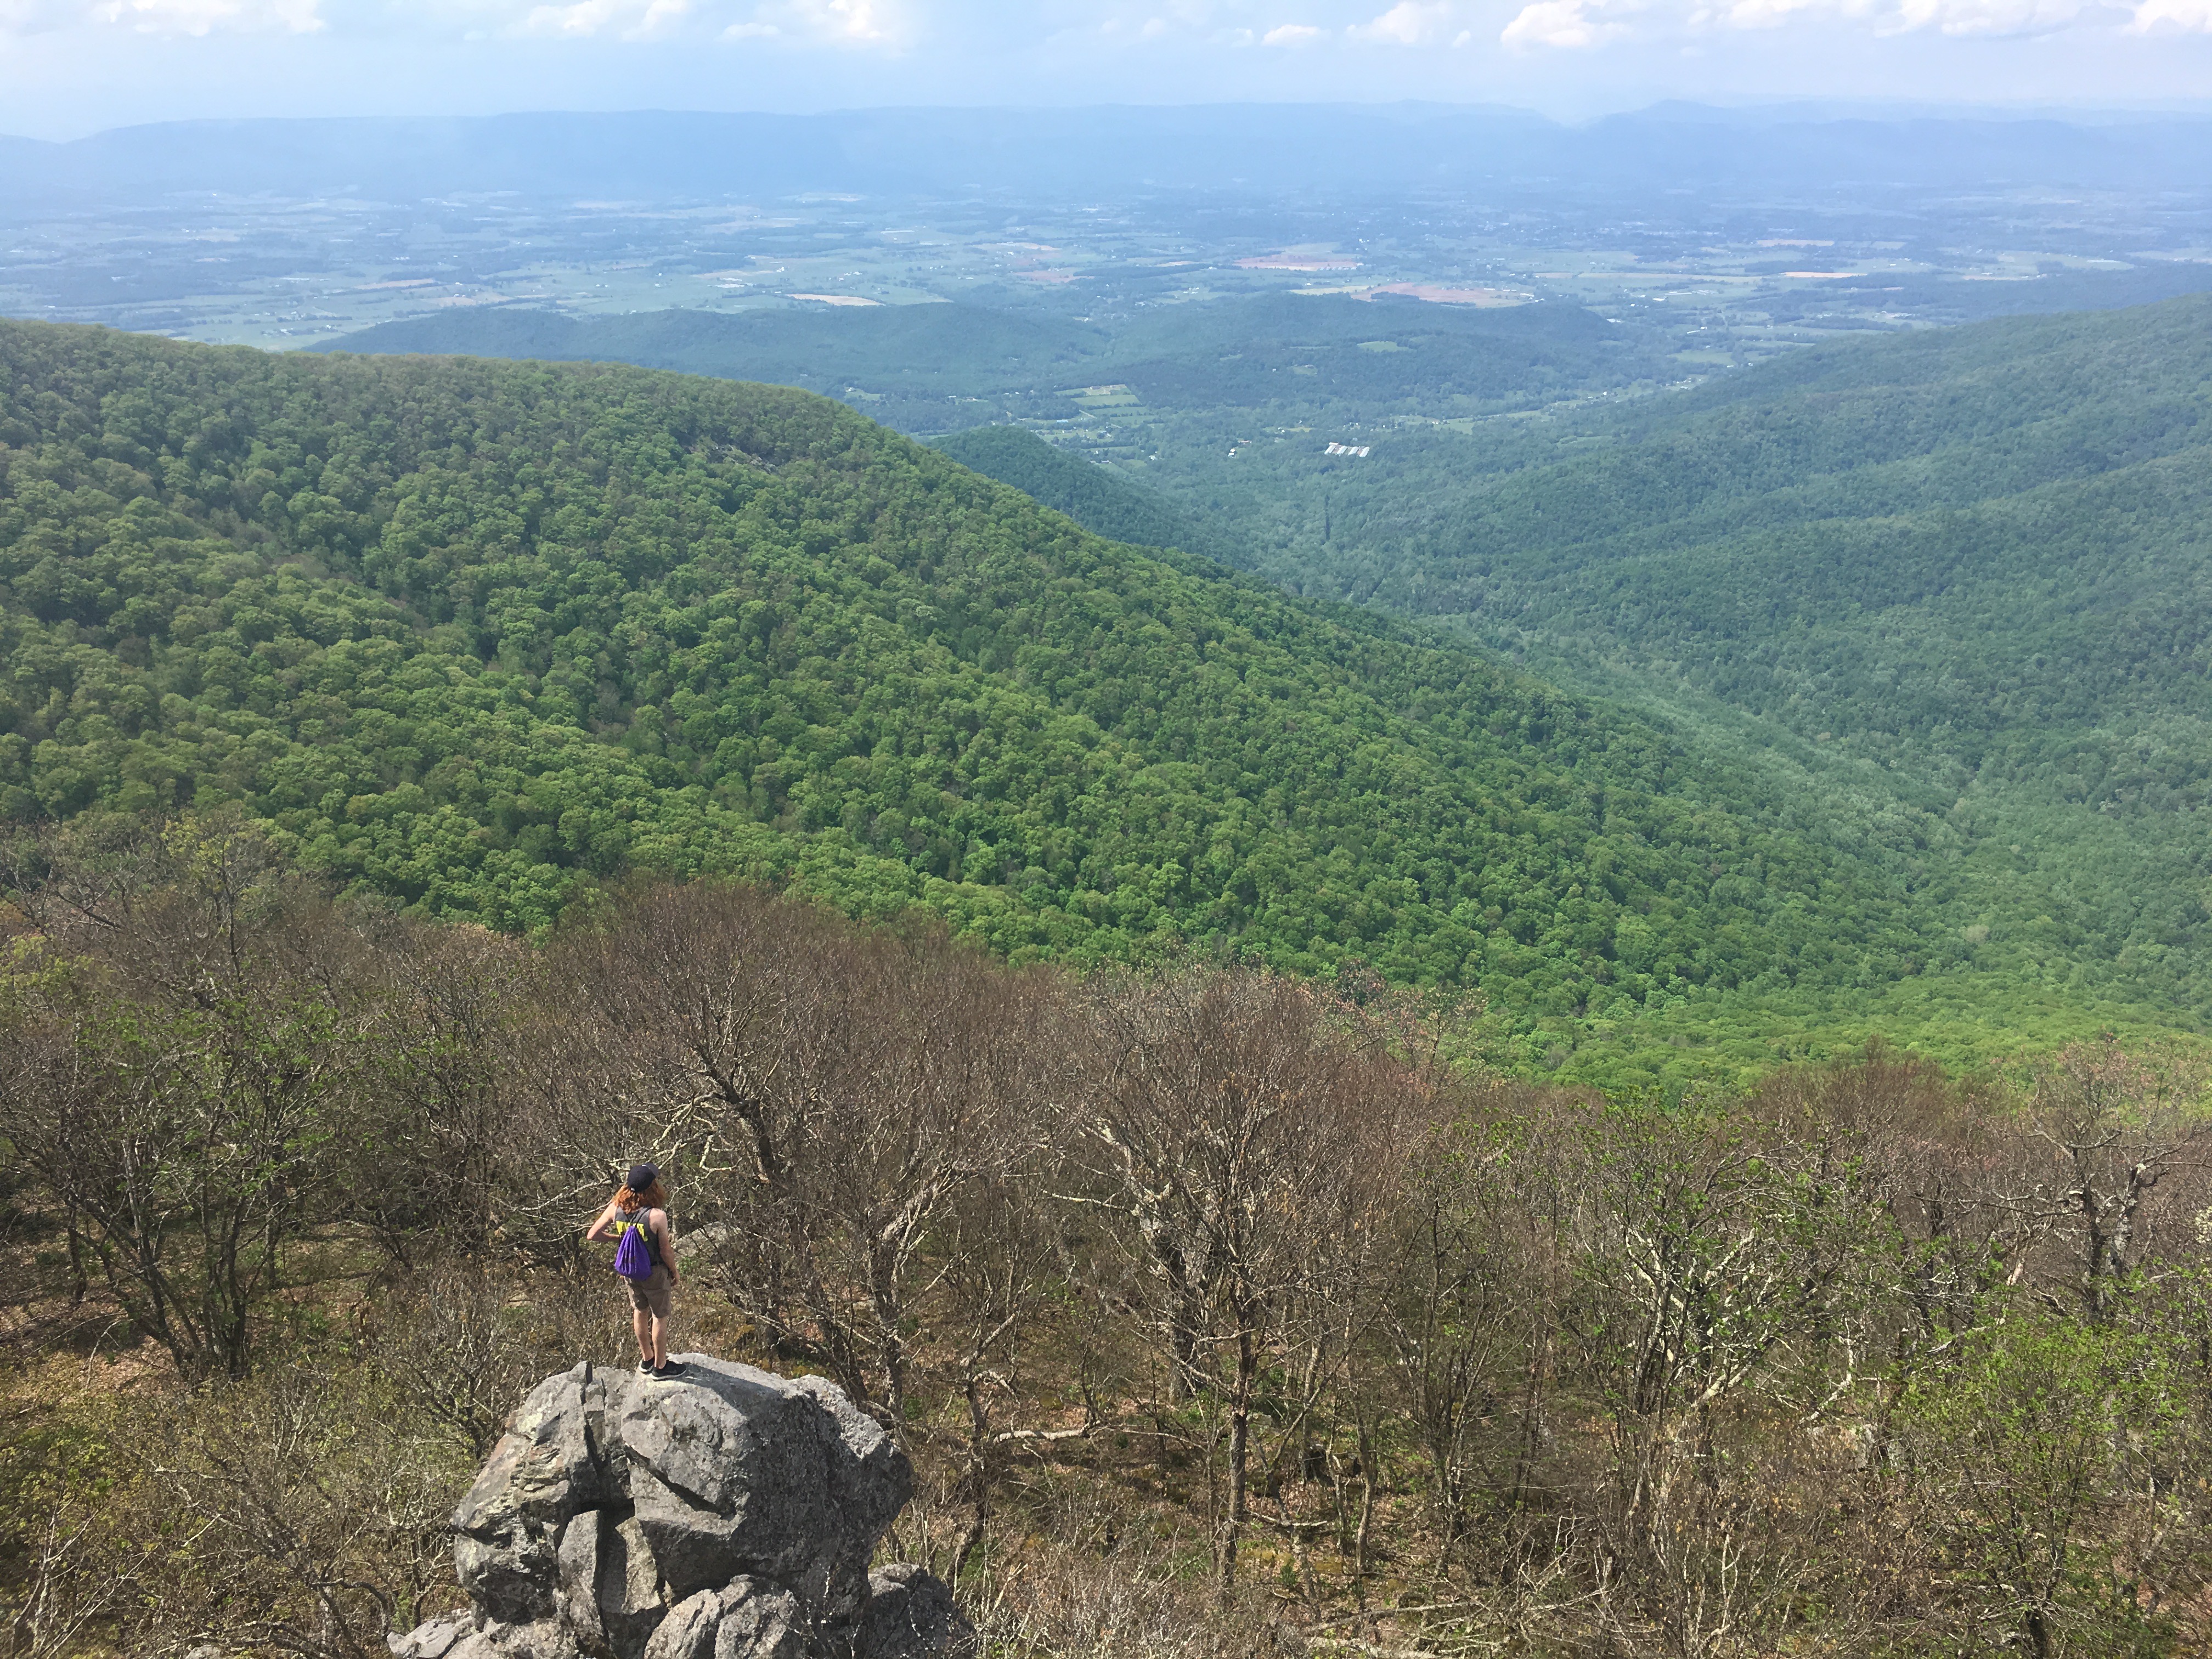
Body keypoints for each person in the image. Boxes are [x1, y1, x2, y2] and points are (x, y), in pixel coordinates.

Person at [588, 1163, 681, 1378]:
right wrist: (674, 1272)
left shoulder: (615, 1208)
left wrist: (619, 1239)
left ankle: (647, 1359)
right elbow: (665, 1250)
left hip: (630, 1270)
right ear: (652, 1188)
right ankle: (661, 1367)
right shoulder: (656, 1215)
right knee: (660, 1316)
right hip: (654, 1272)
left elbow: (592, 1235)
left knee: (639, 1311)